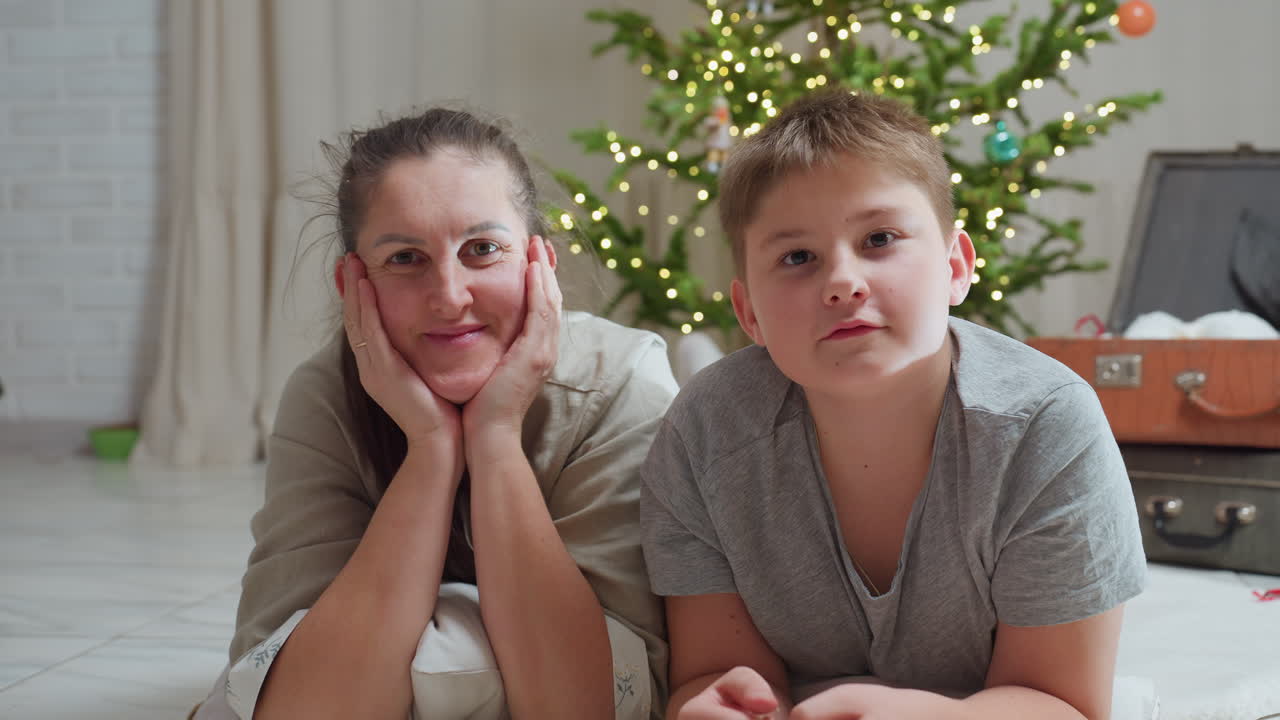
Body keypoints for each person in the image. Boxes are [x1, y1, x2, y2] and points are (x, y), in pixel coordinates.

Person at [640, 90, 1146, 720]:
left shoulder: (1045, 424)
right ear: (749, 314)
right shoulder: (704, 434)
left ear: (957, 266)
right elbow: (714, 671)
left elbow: (1063, 703)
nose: (843, 282)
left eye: (879, 238)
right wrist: (713, 704)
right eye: (797, 257)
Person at [194, 107, 677, 720]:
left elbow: (584, 707)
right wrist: (431, 448)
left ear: (539, 265)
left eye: (482, 249)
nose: (449, 297)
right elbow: (301, 709)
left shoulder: (621, 381)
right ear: (352, 285)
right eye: (405, 259)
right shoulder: (323, 397)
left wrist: (496, 435)